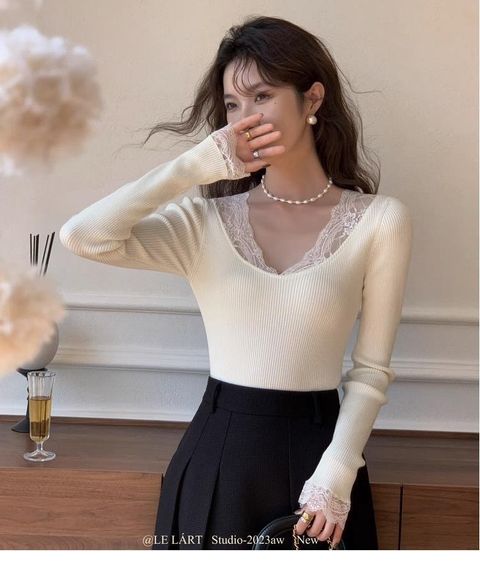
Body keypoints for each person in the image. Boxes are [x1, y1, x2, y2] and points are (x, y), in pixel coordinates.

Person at [59, 15, 413, 550]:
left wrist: (338, 471)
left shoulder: (380, 220)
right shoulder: (203, 224)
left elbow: (371, 372)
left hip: (323, 469)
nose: (244, 120)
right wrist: (193, 166)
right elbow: (83, 236)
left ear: (313, 99)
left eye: (262, 97)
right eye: (231, 104)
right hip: (215, 461)